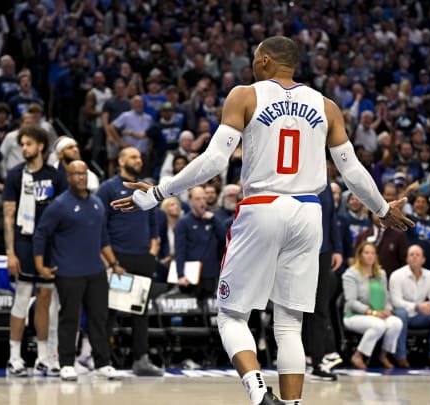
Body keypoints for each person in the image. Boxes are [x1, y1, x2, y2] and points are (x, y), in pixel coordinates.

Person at [111, 36, 413, 405]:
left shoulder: (245, 95)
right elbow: (351, 171)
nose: (252, 65)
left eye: (255, 58)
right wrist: (381, 209)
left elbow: (213, 161)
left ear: (266, 61)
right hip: (308, 211)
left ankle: (257, 393)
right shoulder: (327, 106)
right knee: (289, 323)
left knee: (231, 315)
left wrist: (159, 192)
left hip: (263, 205)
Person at [33, 160, 123, 381]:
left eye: (83, 173)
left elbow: (103, 238)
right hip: (68, 271)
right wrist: (39, 265)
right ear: (68, 177)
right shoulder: (59, 205)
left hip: (95, 270)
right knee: (69, 319)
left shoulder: (96, 204)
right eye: (75, 174)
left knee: (99, 318)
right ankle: (66, 363)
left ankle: (102, 363)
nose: (80, 178)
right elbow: (41, 234)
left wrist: (113, 263)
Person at [2, 126, 67, 377]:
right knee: (22, 296)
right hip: (25, 243)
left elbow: (61, 217)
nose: (24, 148)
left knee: (46, 300)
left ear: (41, 146)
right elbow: (8, 215)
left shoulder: (55, 176)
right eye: (22, 144)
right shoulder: (15, 175)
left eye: (28, 143)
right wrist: (10, 252)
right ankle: (14, 357)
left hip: (49, 245)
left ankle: (42, 357)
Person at [95, 147, 164, 376]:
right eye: (133, 157)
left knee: (140, 313)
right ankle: (102, 361)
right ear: (121, 160)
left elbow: (154, 219)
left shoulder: (146, 187)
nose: (139, 160)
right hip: (119, 258)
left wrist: (153, 250)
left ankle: (141, 360)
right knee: (111, 310)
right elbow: (100, 225)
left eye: (140, 157)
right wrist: (111, 260)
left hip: (142, 257)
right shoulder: (108, 188)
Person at [303, 180, 343, 381]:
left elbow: (331, 217)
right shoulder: (295, 179)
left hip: (323, 252)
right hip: (298, 251)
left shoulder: (325, 184)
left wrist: (337, 248)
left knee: (320, 308)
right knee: (295, 308)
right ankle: (297, 358)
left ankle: (317, 361)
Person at [342, 242, 402, 370]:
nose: (370, 256)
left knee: (396, 323)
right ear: (360, 255)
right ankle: (358, 355)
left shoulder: (381, 273)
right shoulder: (351, 274)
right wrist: (372, 313)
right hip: (354, 316)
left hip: (379, 314)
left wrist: (388, 310)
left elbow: (387, 296)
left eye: (373, 253)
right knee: (378, 325)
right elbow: (351, 302)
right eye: (366, 253)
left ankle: (383, 355)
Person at [390, 245, 430, 369]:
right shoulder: (396, 275)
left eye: (418, 255)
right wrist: (417, 306)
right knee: (400, 314)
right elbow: (396, 301)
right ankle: (401, 357)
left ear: (423, 260)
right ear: (407, 259)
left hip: (420, 316)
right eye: (411, 255)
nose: (414, 257)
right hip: (404, 314)